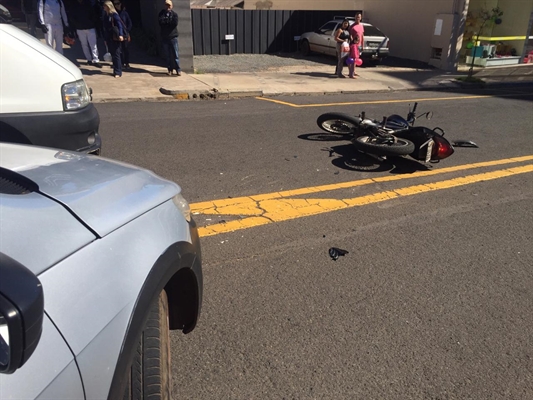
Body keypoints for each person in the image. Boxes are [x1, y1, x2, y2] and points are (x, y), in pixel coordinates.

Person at [68, 0, 101, 66]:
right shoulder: (74, 6)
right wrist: (77, 25)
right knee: (84, 44)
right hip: (80, 29)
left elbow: (94, 15)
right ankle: (89, 59)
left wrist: (91, 23)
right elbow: (71, 17)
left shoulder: (89, 5)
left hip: (90, 27)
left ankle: (96, 60)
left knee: (93, 44)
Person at [102, 0, 124, 78]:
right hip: (109, 37)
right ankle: (115, 69)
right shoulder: (106, 15)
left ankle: (118, 71)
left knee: (116, 54)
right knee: (113, 54)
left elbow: (119, 25)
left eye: (105, 6)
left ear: (108, 7)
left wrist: (121, 35)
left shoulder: (114, 15)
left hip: (115, 37)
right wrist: (105, 39)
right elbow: (105, 28)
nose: (103, 8)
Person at [158, 0, 181, 76]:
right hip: (165, 38)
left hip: (173, 37)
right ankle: (169, 69)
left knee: (175, 55)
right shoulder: (161, 14)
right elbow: (161, 23)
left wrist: (167, 22)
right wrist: (167, 22)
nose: (168, 7)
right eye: (166, 5)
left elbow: (174, 24)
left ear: (171, 6)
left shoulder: (174, 15)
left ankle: (178, 69)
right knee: (167, 55)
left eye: (169, 5)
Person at [114, 1, 132, 69]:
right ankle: (121, 63)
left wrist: (127, 30)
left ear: (120, 4)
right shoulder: (114, 14)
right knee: (119, 49)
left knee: (126, 49)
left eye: (118, 3)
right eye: (115, 4)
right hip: (117, 34)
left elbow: (129, 23)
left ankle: (127, 63)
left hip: (125, 34)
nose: (117, 5)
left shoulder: (124, 13)